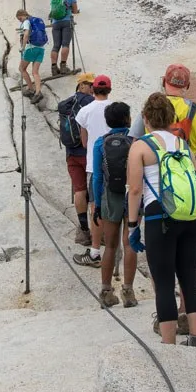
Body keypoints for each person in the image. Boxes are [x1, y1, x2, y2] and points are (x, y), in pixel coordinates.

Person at [130, 64, 196, 335]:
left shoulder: (145, 122)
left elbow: (134, 181)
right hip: (192, 197)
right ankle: (191, 328)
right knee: (189, 271)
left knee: (163, 273)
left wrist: (133, 223)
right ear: (186, 85)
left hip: (159, 204)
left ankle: (165, 323)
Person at [91, 102, 138, 308]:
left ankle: (106, 290)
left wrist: (97, 205)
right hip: (131, 194)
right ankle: (128, 290)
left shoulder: (101, 143)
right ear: (128, 119)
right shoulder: (135, 142)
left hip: (109, 195)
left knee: (110, 245)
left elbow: (97, 177)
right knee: (129, 243)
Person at [74, 76, 113, 267]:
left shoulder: (85, 111)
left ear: (93, 90)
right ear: (109, 90)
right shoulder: (117, 107)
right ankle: (114, 250)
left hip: (94, 165)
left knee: (95, 208)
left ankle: (95, 252)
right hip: (116, 164)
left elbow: (83, 141)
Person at [58, 74, 95, 247]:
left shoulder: (66, 103)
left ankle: (83, 231)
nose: (92, 88)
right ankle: (97, 233)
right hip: (87, 153)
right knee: (94, 192)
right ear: (82, 86)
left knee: (79, 190)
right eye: (90, 85)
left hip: (71, 153)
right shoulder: (90, 103)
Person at [49, 0, 78, 76]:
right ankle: (63, 67)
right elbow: (74, 10)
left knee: (56, 45)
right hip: (66, 22)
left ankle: (53, 68)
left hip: (55, 22)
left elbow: (52, 9)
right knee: (65, 44)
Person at [16, 9, 45, 104]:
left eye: (20, 18)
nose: (20, 21)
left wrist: (23, 47)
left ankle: (31, 89)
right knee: (35, 72)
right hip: (41, 49)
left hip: (31, 48)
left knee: (21, 68)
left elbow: (26, 34)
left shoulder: (27, 21)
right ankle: (38, 92)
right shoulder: (36, 21)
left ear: (23, 15)